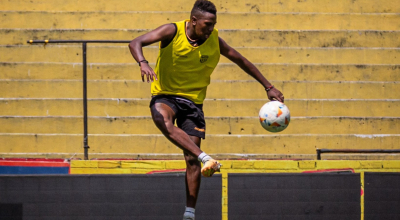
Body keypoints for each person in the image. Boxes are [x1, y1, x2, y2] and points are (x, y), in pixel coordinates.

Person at [128, 0, 284, 219]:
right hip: (166, 95)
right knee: (162, 120)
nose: (211, 29)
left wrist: (269, 87)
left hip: (193, 103)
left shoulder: (214, 41)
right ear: (193, 21)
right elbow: (136, 42)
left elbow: (241, 60)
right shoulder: (172, 31)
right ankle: (205, 158)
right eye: (207, 24)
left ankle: (189, 213)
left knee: (191, 159)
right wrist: (143, 62)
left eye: (214, 24)